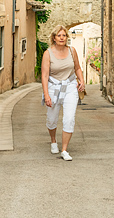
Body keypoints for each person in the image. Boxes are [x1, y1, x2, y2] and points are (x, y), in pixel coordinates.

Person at [41, 25, 85, 161]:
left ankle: (64, 150)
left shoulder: (72, 51)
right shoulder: (48, 53)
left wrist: (82, 80)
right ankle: (53, 140)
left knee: (69, 118)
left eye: (64, 35)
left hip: (70, 86)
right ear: (54, 38)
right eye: (59, 35)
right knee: (52, 119)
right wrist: (46, 95)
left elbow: (77, 67)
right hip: (54, 87)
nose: (62, 38)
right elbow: (44, 75)